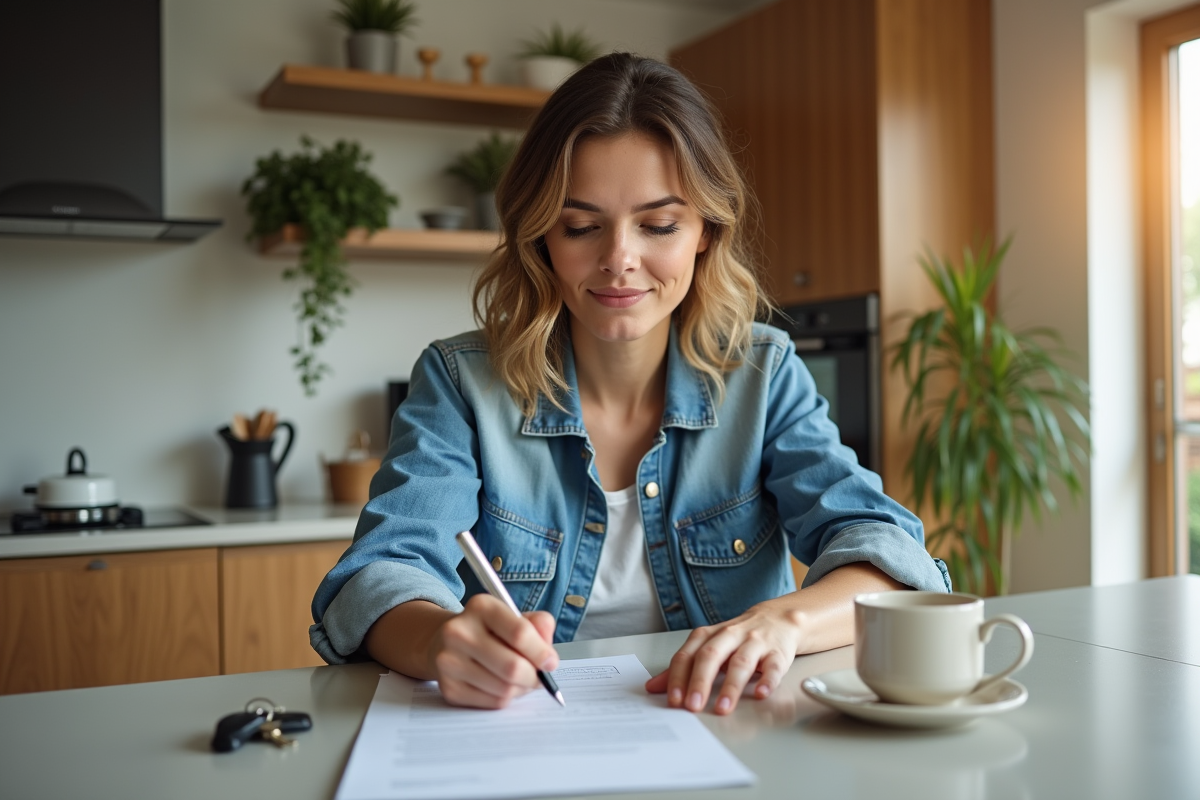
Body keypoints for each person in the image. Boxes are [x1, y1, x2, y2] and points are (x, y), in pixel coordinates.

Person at [310, 52, 949, 717]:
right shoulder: (461, 382)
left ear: (705, 230)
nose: (619, 259)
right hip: (518, 744)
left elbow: (889, 554)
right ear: (541, 240)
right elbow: (378, 575)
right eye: (581, 226)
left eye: (659, 225)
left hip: (723, 733)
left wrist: (783, 623)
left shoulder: (763, 373)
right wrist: (442, 639)